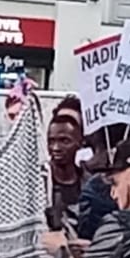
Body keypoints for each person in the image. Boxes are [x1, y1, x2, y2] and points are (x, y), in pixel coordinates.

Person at [47, 99, 84, 232]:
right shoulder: (38, 182)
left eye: (64, 141)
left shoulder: (89, 184)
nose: (56, 148)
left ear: (80, 142)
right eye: (51, 141)